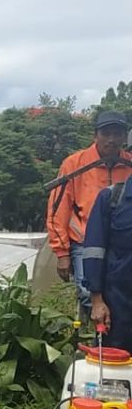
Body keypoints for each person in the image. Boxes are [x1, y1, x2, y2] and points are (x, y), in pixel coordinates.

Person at [46, 111, 132, 319]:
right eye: (106, 133)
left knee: (119, 293)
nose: (111, 139)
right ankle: (95, 339)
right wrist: (62, 253)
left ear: (124, 137)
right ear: (96, 135)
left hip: (121, 244)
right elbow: (58, 208)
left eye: (117, 133)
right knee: (88, 292)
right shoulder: (75, 164)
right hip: (84, 241)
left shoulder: (129, 164)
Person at [83, 116, 132, 352]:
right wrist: (97, 301)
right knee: (114, 374)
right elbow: (94, 251)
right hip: (119, 306)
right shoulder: (112, 198)